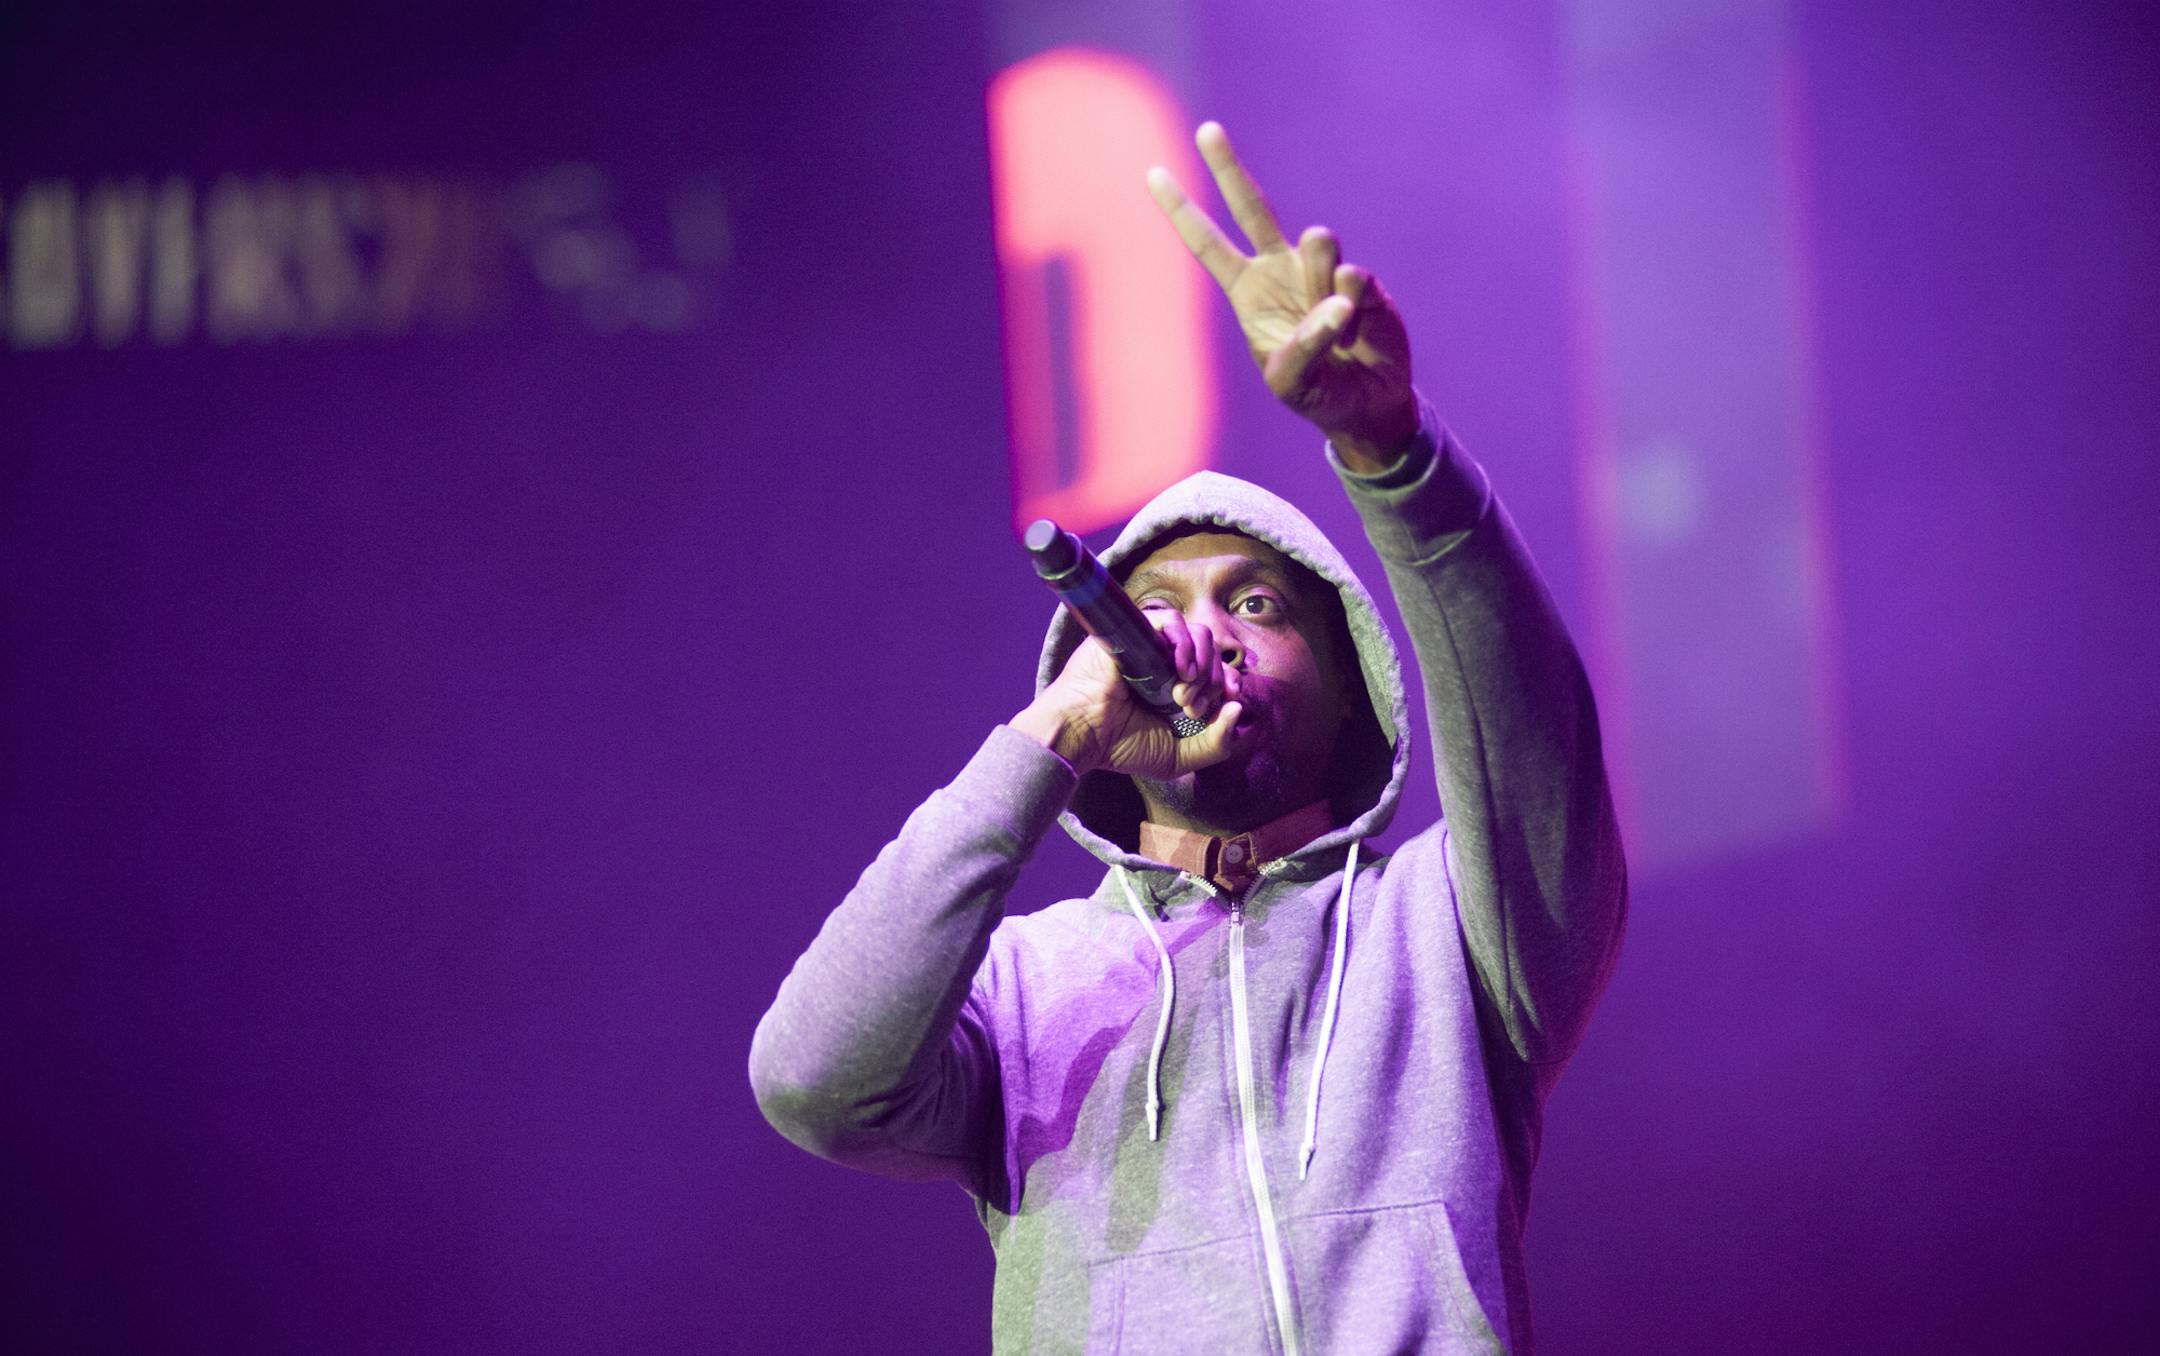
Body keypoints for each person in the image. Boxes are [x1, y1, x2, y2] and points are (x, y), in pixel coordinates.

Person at [750, 122, 1626, 1355]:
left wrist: (1392, 450)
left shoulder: (1449, 927)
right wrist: (1053, 733)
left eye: (1256, 604)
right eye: (1156, 611)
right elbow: (812, 1083)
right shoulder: (1017, 986)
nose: (1200, 636)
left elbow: (1531, 728)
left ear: (1349, 683)